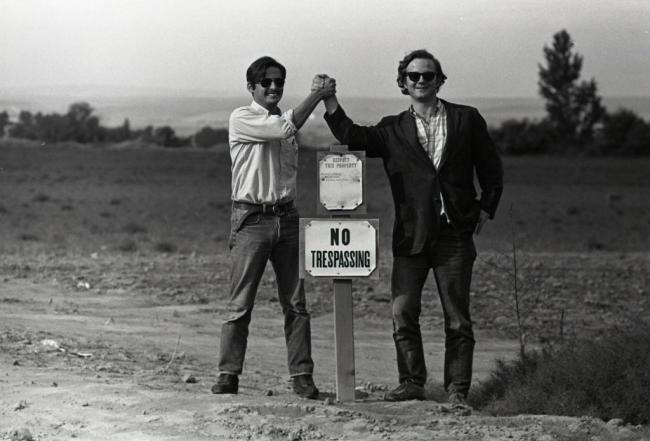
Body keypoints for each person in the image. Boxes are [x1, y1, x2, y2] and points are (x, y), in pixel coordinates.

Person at [314, 49, 503, 405]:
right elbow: (353, 137)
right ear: (403, 83)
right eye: (413, 76)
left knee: (458, 319)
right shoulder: (391, 128)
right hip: (411, 235)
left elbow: (491, 168)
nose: (420, 81)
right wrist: (330, 99)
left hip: (455, 236)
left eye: (427, 75)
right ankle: (412, 383)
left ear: (439, 80)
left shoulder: (466, 119)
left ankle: (457, 392)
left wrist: (485, 209)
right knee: (402, 311)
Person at [212, 56, 335, 399]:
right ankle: (228, 374)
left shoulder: (285, 122)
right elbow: (284, 129)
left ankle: (302, 376)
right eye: (266, 82)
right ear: (251, 87)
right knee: (240, 304)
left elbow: (287, 134)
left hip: (287, 218)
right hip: (251, 219)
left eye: (279, 82)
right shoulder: (243, 118)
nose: (273, 87)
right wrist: (317, 94)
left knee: (296, 303)